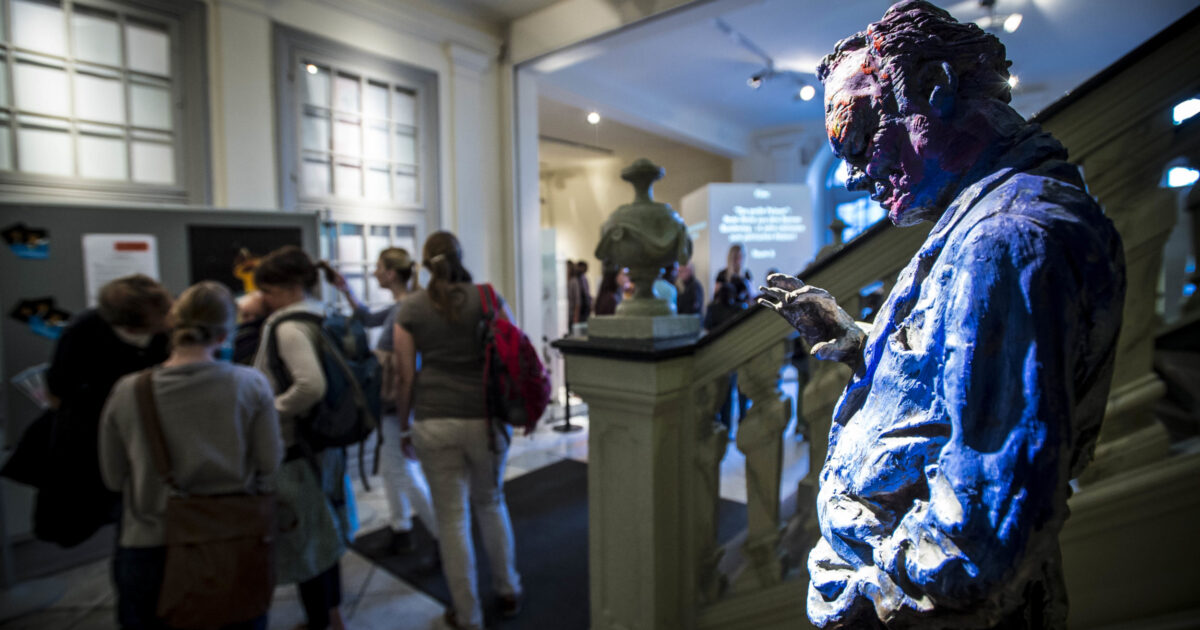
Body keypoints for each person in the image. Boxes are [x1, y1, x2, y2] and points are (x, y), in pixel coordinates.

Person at [757, 2, 1125, 627]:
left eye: (859, 137)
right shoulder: (981, 220)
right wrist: (858, 342)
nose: (851, 176)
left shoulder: (1006, 239)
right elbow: (951, 379)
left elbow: (982, 529)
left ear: (936, 91)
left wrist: (855, 594)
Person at [99, 282, 283, 630]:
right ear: (227, 331)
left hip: (151, 542)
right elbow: (269, 463)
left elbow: (112, 476)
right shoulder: (250, 384)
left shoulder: (128, 391)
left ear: (174, 324)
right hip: (231, 536)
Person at [393, 231, 522, 630]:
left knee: (451, 519)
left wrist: (403, 427)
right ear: (461, 256)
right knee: (491, 502)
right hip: (486, 418)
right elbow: (514, 349)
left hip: (434, 420)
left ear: (425, 263)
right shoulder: (488, 297)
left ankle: (467, 617)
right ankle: (507, 589)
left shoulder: (411, 308)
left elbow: (405, 376)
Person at [251, 246, 350, 630]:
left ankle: (321, 621)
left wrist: (268, 409)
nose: (264, 300)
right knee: (325, 531)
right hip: (325, 440)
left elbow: (310, 385)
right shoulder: (324, 312)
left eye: (269, 291)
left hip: (298, 446)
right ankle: (332, 613)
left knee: (307, 539)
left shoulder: (289, 327)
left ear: (290, 286)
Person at [38, 274, 171, 547]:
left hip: (154, 430)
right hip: (95, 432)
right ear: (130, 325)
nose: (166, 322)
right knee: (111, 507)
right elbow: (58, 387)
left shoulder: (168, 328)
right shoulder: (83, 330)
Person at [326, 248, 438, 554]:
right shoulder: (401, 308)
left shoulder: (405, 310)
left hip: (399, 404)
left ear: (390, 274)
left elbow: (406, 369)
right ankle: (401, 528)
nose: (374, 273)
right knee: (393, 467)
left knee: (403, 470)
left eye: (378, 268)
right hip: (394, 404)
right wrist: (345, 290)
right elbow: (367, 317)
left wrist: (405, 420)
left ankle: (443, 536)